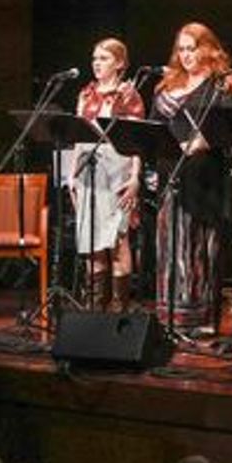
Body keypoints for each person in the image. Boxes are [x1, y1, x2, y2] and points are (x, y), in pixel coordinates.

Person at [153, 23, 232, 333]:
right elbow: (153, 130)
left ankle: (202, 318)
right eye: (182, 49)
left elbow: (226, 130)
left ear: (209, 48)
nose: (187, 55)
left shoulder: (223, 85)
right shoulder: (167, 86)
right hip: (172, 175)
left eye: (193, 48)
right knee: (170, 246)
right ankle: (170, 316)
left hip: (205, 178)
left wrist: (199, 142)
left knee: (201, 247)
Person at [69, 37, 144, 313]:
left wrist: (135, 178)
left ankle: (118, 306)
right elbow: (78, 136)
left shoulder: (128, 94)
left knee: (116, 238)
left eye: (104, 58)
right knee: (92, 240)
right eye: (94, 59)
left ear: (120, 63)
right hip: (89, 170)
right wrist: (71, 175)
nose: (97, 64)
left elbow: (137, 141)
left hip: (117, 169)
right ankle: (94, 304)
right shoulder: (86, 93)